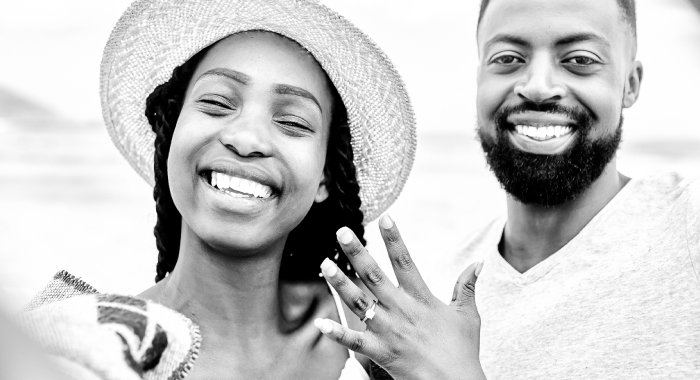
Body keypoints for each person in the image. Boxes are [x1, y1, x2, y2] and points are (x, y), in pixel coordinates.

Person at [22, 0, 417, 378]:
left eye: (293, 123)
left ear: (325, 178)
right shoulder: (67, 344)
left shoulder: (381, 345)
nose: (246, 139)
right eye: (215, 102)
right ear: (171, 134)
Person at [316, 0, 699, 379]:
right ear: (479, 78)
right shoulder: (428, 297)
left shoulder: (687, 223)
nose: (537, 87)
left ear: (630, 85)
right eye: (508, 58)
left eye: (580, 60)